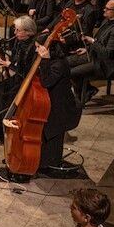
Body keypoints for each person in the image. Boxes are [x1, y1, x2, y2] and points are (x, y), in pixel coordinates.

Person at [0, 16, 38, 143]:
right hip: (18, 78)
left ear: (28, 32)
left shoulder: (33, 48)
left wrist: (10, 66)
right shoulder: (19, 41)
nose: (14, 33)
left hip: (26, 83)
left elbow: (28, 72)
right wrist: (9, 67)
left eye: (18, 30)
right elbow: (16, 60)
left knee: (0, 97)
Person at [70, 0, 114, 104]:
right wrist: (87, 49)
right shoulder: (106, 21)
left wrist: (92, 41)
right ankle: (86, 91)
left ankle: (82, 96)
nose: (104, 10)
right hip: (94, 56)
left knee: (72, 72)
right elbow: (100, 42)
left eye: (108, 9)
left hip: (105, 64)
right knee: (67, 62)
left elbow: (108, 53)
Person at [31, 42, 79, 170]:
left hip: (61, 109)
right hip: (54, 102)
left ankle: (49, 164)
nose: (36, 50)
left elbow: (46, 82)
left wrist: (45, 60)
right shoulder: (54, 61)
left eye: (38, 47)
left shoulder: (58, 64)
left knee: (50, 134)